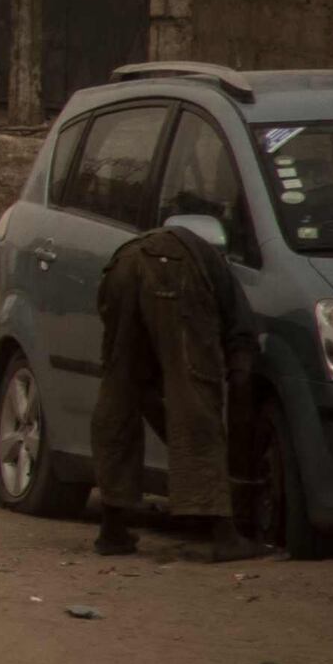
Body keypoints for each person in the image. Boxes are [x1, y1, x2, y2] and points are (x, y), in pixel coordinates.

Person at [93, 217, 259, 557]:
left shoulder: (203, 267)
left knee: (118, 396)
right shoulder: (226, 287)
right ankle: (223, 533)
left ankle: (112, 527)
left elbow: (148, 393)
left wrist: (173, 431)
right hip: (173, 268)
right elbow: (237, 370)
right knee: (196, 395)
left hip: (122, 262)